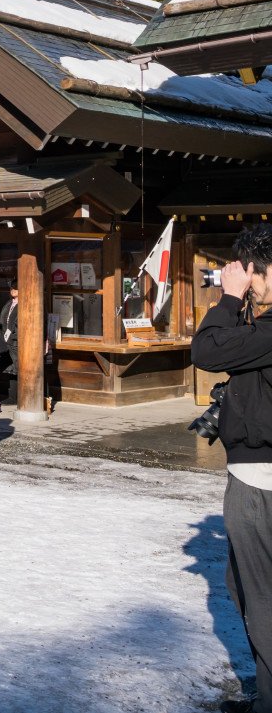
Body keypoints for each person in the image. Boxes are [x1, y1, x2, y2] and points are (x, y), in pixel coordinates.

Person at [191, 225, 272, 713]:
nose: (254, 284)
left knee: (260, 597)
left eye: (257, 273)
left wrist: (228, 297)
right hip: (256, 474)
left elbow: (207, 351)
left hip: (261, 481)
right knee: (245, 588)